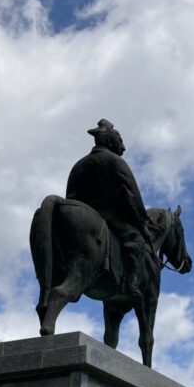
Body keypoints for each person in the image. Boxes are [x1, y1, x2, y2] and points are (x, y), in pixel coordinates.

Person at [66, 118, 154, 297]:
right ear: (111, 141)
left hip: (81, 214)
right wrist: (142, 222)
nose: (123, 147)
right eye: (120, 141)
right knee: (136, 240)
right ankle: (131, 282)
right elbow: (132, 193)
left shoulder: (80, 164)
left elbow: (70, 196)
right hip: (108, 215)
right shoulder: (114, 161)